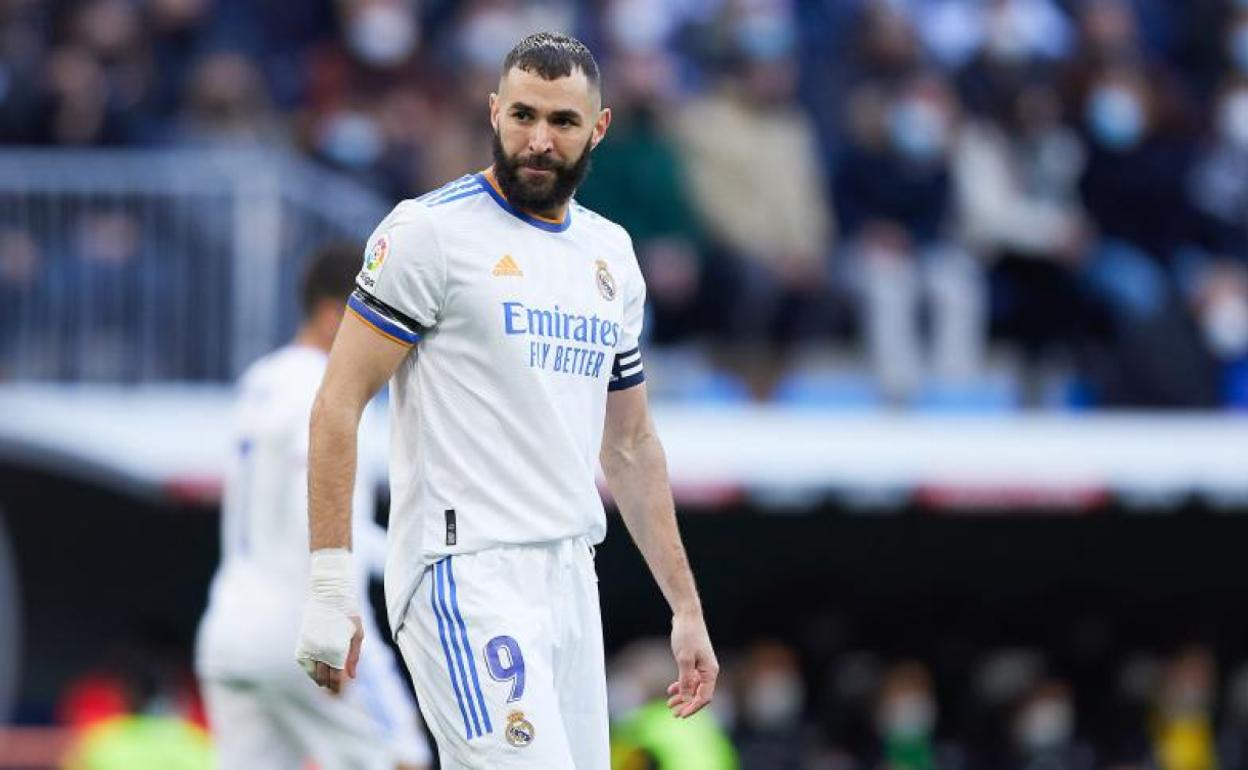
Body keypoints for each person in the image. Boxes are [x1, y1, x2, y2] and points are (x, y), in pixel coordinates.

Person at [294, 31, 718, 770]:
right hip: (465, 570)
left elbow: (630, 445)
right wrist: (331, 586)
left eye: (561, 122)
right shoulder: (430, 232)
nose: (539, 140)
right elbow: (337, 400)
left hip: (569, 575)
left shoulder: (609, 254)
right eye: (522, 115)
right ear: (492, 111)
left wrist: (685, 607)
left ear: (600, 128)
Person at [195, 243, 431, 770]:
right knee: (403, 759)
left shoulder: (262, 378)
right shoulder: (325, 389)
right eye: (379, 313)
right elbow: (315, 476)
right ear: (334, 316)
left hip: (229, 629)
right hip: (302, 623)